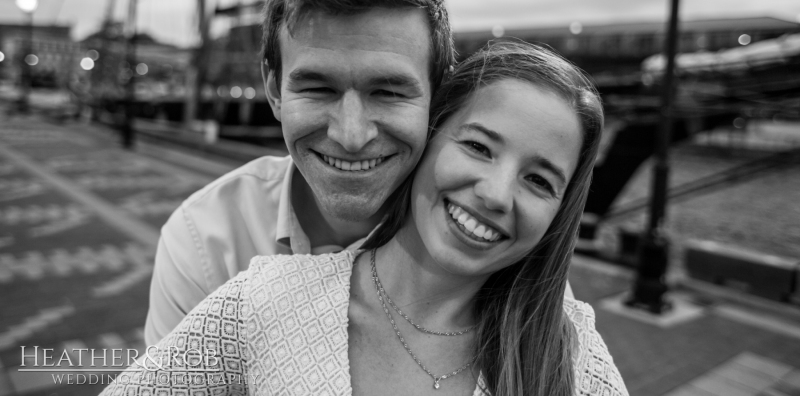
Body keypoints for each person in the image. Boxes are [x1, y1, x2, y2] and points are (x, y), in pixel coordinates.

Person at [104, 41, 627, 396]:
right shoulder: (262, 302)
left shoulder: (569, 353)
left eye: (539, 181)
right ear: (427, 135)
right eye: (477, 146)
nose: (495, 194)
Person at [144, 0, 456, 345]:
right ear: (273, 91)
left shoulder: (489, 239)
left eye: (389, 92)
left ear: (439, 96)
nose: (350, 136)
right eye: (318, 89)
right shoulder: (204, 239)